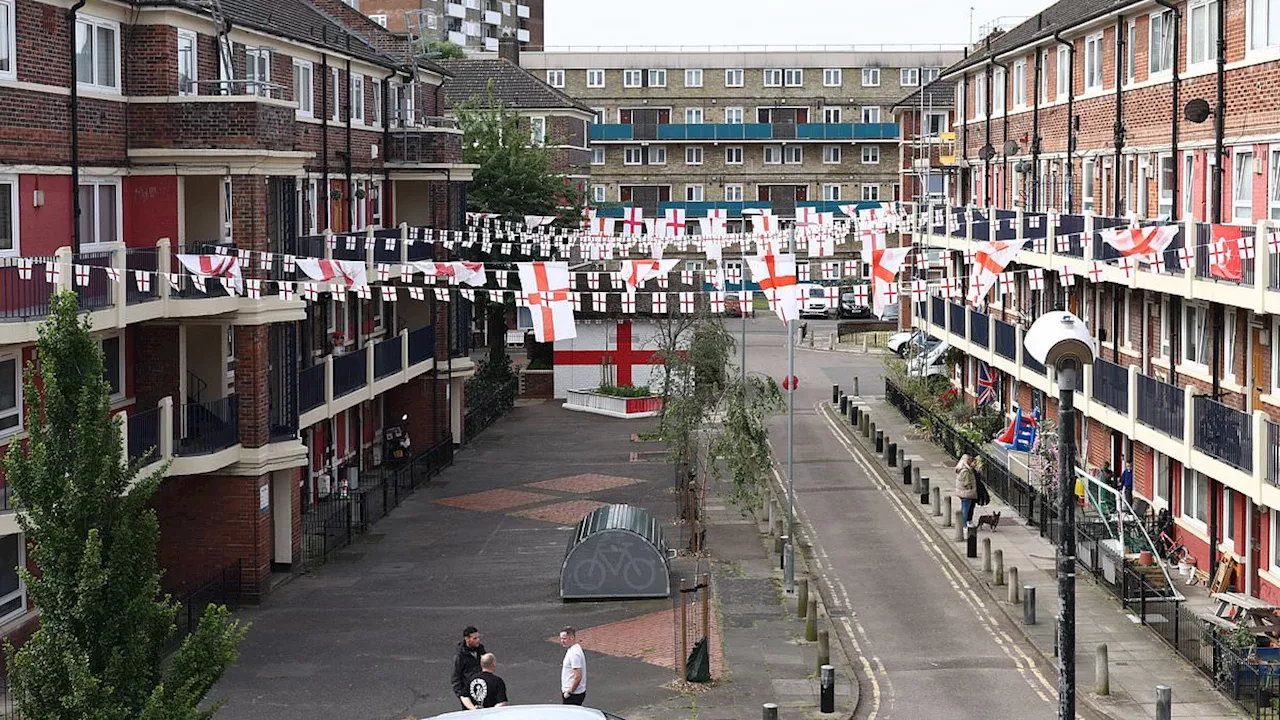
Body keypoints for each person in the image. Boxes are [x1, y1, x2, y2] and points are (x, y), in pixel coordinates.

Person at [451, 626, 486, 710]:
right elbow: (456, 677)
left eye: (478, 637)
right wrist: (462, 695)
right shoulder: (460, 656)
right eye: (475, 638)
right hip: (469, 692)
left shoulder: (480, 649)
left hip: (481, 688)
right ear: (467, 639)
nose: (478, 640)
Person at [559, 626, 587, 705]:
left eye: (564, 638)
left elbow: (578, 676)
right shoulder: (575, 648)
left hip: (573, 694)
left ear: (571, 638)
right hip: (575, 693)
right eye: (561, 638)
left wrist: (569, 692)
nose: (562, 641)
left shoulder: (574, 654)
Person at [954, 454, 977, 534]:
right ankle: (964, 525)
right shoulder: (965, 471)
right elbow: (966, 483)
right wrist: (970, 488)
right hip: (966, 493)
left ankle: (962, 524)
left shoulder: (962, 468)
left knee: (964, 508)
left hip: (962, 492)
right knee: (965, 510)